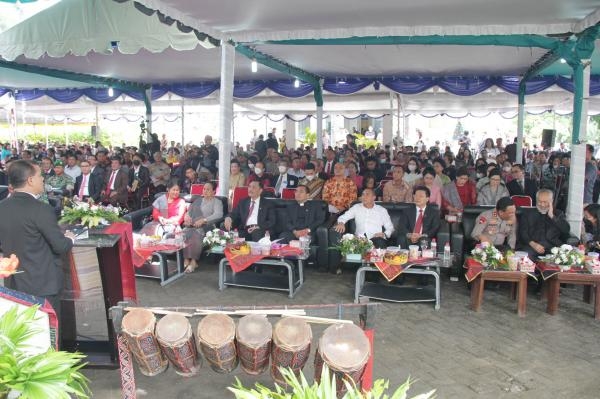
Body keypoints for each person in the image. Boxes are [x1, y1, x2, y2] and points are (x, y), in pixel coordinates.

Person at [0, 160, 75, 316]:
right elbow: (60, 246)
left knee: (24, 333)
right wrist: (70, 238)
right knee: (48, 334)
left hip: (14, 284)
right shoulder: (41, 209)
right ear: (30, 180)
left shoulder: (2, 207)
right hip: (43, 285)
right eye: (40, 175)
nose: (43, 179)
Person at [328, 188, 394, 274]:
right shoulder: (356, 207)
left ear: (374, 197)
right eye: (363, 194)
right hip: (360, 239)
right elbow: (344, 217)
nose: (364, 197)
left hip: (375, 237)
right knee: (349, 244)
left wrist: (384, 234)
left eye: (367, 194)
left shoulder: (381, 210)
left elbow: (390, 227)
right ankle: (338, 267)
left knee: (380, 244)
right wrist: (341, 223)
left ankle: (374, 275)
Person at [182, 182, 223, 273]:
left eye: (208, 189)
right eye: (204, 189)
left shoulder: (217, 202)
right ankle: (186, 259)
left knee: (196, 233)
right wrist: (187, 217)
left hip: (207, 226)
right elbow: (189, 211)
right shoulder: (198, 200)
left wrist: (204, 220)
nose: (205, 191)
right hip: (192, 225)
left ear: (214, 191)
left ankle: (193, 261)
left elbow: (218, 214)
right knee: (185, 232)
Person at [517, 189, 570, 258]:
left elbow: (566, 229)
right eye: (539, 201)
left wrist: (552, 216)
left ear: (551, 201)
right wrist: (533, 244)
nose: (542, 205)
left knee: (564, 258)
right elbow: (523, 233)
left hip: (553, 247)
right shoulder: (528, 213)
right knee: (525, 256)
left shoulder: (558, 214)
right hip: (532, 246)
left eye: (545, 202)